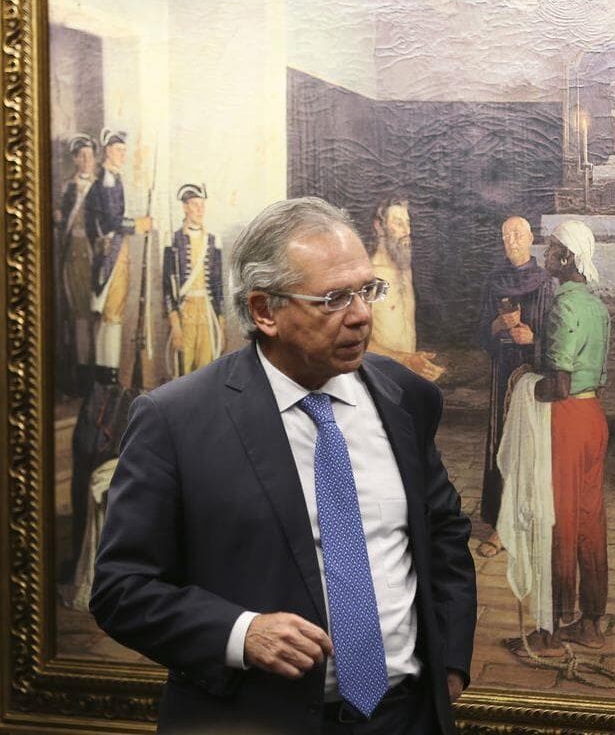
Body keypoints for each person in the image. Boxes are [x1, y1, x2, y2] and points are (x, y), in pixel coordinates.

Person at [91, 197, 477, 734]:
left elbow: (444, 535)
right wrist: (240, 633)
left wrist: (450, 662)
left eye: (367, 290)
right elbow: (121, 589)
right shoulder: (175, 420)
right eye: (334, 299)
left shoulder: (406, 397)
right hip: (256, 720)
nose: (362, 315)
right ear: (264, 311)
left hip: (406, 718)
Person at [508, 220, 610, 656]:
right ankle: (590, 623)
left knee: (558, 521)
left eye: (551, 248)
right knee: (589, 520)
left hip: (567, 421)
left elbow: (559, 385)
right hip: (593, 418)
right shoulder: (596, 306)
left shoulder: (564, 307)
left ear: (566, 257)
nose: (545, 254)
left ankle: (549, 631)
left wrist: (525, 385)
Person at [476, 216, 554, 559]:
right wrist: (498, 324)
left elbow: (556, 334)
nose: (511, 240)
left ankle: (529, 517)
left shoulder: (546, 282)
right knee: (502, 443)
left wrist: (533, 337)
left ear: (531, 238)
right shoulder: (494, 280)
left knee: (530, 445)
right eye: (506, 234)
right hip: (502, 370)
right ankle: (501, 523)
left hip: (532, 373)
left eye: (518, 234)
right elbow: (481, 332)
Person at [84, 127, 152, 384]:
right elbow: (110, 221)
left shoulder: (112, 178)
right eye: (118, 150)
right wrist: (139, 224)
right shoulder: (108, 180)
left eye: (124, 150)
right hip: (111, 254)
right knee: (113, 313)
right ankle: (109, 374)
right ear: (107, 151)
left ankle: (105, 371)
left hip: (112, 250)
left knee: (110, 314)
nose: (123, 155)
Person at [367, 197, 444, 381]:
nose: (407, 231)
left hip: (406, 378)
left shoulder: (405, 270)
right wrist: (405, 359)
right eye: (398, 223)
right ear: (379, 227)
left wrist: (414, 361)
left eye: (408, 223)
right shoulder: (368, 275)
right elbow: (354, 342)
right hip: (378, 379)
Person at [162, 183, 225, 377]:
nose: (200, 210)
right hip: (184, 315)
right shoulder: (172, 240)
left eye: (202, 205)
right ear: (185, 207)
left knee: (207, 374)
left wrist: (221, 324)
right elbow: (167, 287)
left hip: (207, 314)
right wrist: (175, 325)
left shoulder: (213, 240)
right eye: (195, 205)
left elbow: (218, 286)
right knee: (182, 375)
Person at [55, 133, 98, 393]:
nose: (86, 160)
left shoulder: (101, 186)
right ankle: (83, 373)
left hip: (97, 256)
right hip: (75, 257)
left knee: (98, 316)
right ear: (75, 159)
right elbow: (61, 222)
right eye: (81, 156)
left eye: (89, 156)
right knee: (79, 315)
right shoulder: (68, 188)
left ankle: (99, 373)